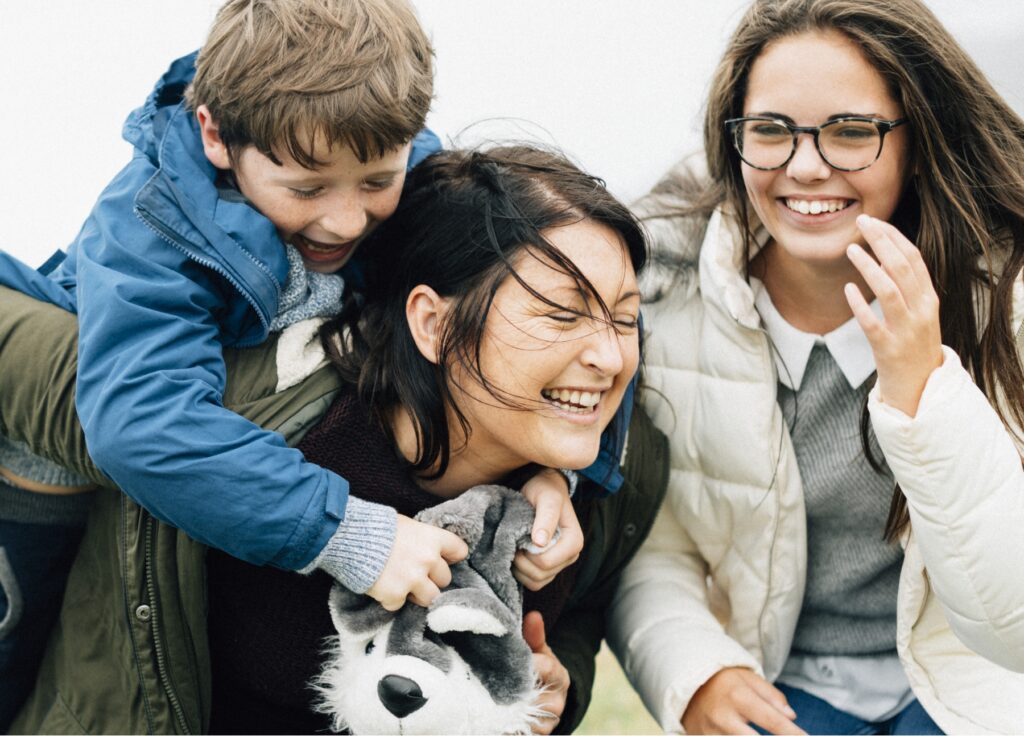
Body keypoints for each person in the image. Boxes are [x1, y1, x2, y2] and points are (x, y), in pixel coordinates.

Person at [0, 0, 586, 726]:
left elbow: (568, 296)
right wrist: (347, 531)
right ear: (216, 134)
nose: (344, 219)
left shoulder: (414, 168)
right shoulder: (151, 223)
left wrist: (556, 470)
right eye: (306, 188)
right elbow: (142, 422)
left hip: (225, 493)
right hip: (41, 483)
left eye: (377, 181)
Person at [608, 0, 1024, 733]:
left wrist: (922, 387)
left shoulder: (1006, 299)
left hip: (973, 679)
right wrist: (694, 669)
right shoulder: (664, 293)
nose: (805, 167)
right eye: (770, 131)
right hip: (782, 680)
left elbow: (1012, 623)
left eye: (851, 132)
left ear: (918, 141)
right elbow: (654, 541)